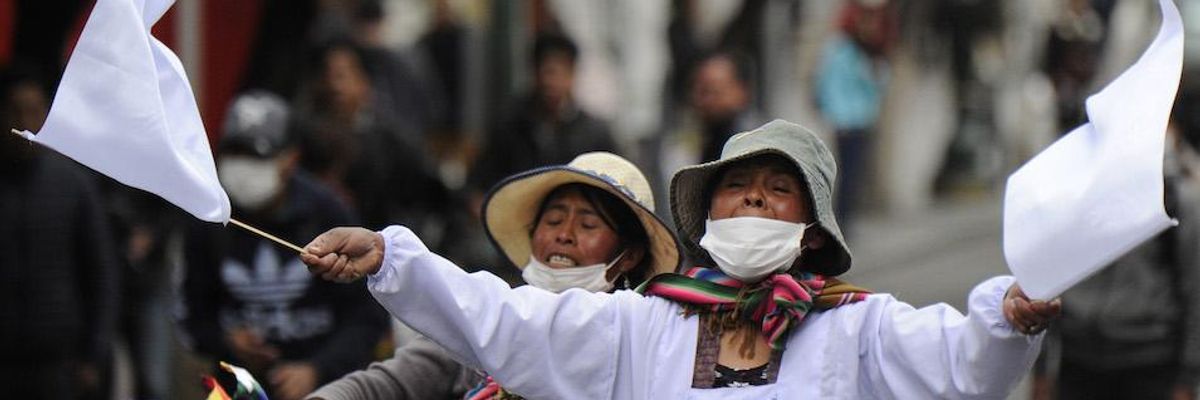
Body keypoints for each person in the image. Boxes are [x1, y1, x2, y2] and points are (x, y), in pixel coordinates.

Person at [303, 120, 1060, 398]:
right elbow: (505, 320)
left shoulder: (859, 328)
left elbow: (966, 366)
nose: (754, 199)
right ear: (710, 215)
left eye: (777, 191)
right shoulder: (644, 325)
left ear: (811, 233)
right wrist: (392, 259)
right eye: (737, 188)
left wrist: (1010, 319)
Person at [305, 151, 680, 399]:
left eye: (588, 224)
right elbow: (389, 384)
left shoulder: (636, 340)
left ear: (629, 256)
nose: (564, 234)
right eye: (553, 220)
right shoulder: (493, 318)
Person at [180, 90, 389, 400]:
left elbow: (368, 315)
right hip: (239, 388)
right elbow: (191, 313)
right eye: (235, 154)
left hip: (327, 389)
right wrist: (226, 341)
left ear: (290, 159)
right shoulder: (210, 218)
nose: (243, 168)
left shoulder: (327, 214)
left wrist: (317, 369)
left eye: (256, 157)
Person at [0, 65, 121, 399]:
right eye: (15, 111)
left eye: (34, 110)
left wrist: (93, 354)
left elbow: (101, 273)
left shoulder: (73, 184)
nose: (25, 121)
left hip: (59, 362)